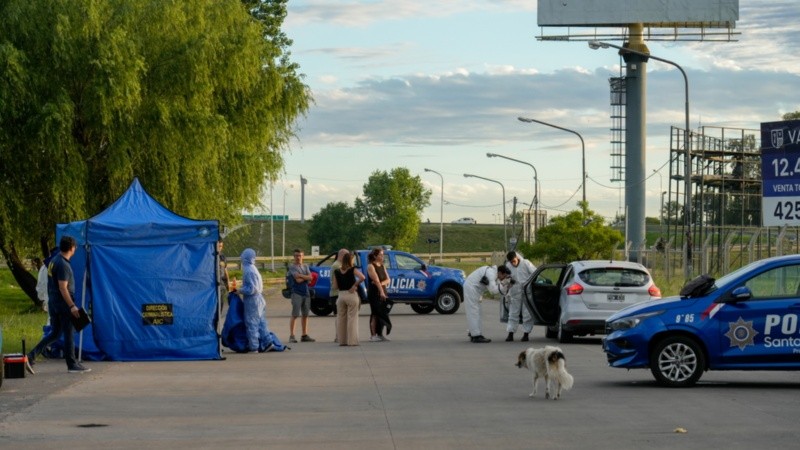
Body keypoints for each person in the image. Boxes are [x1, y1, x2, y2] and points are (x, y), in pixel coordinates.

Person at [27, 236, 91, 373]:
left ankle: (31, 356)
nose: (75, 249)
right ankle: (72, 364)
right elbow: (63, 287)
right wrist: (72, 306)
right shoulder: (63, 265)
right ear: (71, 248)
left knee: (55, 333)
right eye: (75, 247)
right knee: (69, 334)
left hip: (54, 303)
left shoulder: (54, 261)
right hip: (63, 305)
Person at [464, 265, 512, 343]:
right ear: (500, 273)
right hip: (471, 289)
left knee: (477, 312)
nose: (503, 278)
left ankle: (474, 333)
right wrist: (504, 283)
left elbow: (499, 289)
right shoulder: (491, 274)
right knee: (474, 312)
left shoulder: (494, 273)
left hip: (474, 289)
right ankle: (476, 336)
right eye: (504, 276)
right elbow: (493, 291)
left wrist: (506, 286)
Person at [237, 248, 271, 352]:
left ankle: (254, 346)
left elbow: (252, 289)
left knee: (251, 323)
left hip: (253, 300)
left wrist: (239, 290)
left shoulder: (248, 270)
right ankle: (268, 342)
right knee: (261, 322)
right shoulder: (253, 268)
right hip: (259, 299)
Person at [332, 252, 366, 346]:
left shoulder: (337, 271)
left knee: (341, 318)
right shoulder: (352, 269)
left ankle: (342, 341)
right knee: (352, 318)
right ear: (351, 260)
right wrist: (354, 285)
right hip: (351, 294)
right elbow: (362, 277)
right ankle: (352, 341)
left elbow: (335, 286)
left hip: (341, 295)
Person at [504, 251, 537, 342]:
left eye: (514, 261)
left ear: (517, 257)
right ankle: (510, 333)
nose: (513, 263)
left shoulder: (526, 263)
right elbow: (506, 277)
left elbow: (535, 273)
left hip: (526, 291)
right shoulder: (508, 266)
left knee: (527, 313)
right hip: (515, 292)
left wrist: (529, 283)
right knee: (513, 313)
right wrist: (509, 281)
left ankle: (526, 334)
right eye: (511, 262)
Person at [288, 248, 315, 343]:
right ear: (293, 256)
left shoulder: (305, 266)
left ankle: (304, 335)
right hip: (296, 293)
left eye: (299, 255)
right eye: (296, 255)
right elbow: (297, 280)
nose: (298, 257)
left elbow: (311, 278)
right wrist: (306, 277)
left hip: (306, 292)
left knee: (305, 314)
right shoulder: (292, 267)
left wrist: (302, 276)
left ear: (303, 256)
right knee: (295, 314)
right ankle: (292, 335)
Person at [367, 247, 392, 342]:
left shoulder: (382, 266)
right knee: (375, 313)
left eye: (383, 255)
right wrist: (381, 291)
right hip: (374, 293)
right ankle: (373, 335)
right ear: (375, 256)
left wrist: (381, 284)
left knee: (382, 313)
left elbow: (388, 280)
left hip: (383, 291)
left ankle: (380, 334)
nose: (382, 256)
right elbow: (376, 280)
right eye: (380, 255)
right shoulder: (371, 266)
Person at [329, 248, 349, 343]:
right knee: (339, 316)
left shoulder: (338, 265)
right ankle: (338, 336)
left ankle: (340, 335)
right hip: (337, 294)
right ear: (342, 255)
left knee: (340, 316)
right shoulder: (337, 266)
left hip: (337, 293)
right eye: (347, 255)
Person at [217, 238, 230, 302]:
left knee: (221, 302)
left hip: (221, 284)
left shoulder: (223, 257)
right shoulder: (209, 256)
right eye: (218, 246)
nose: (220, 248)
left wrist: (228, 284)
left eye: (221, 246)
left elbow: (225, 271)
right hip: (212, 285)